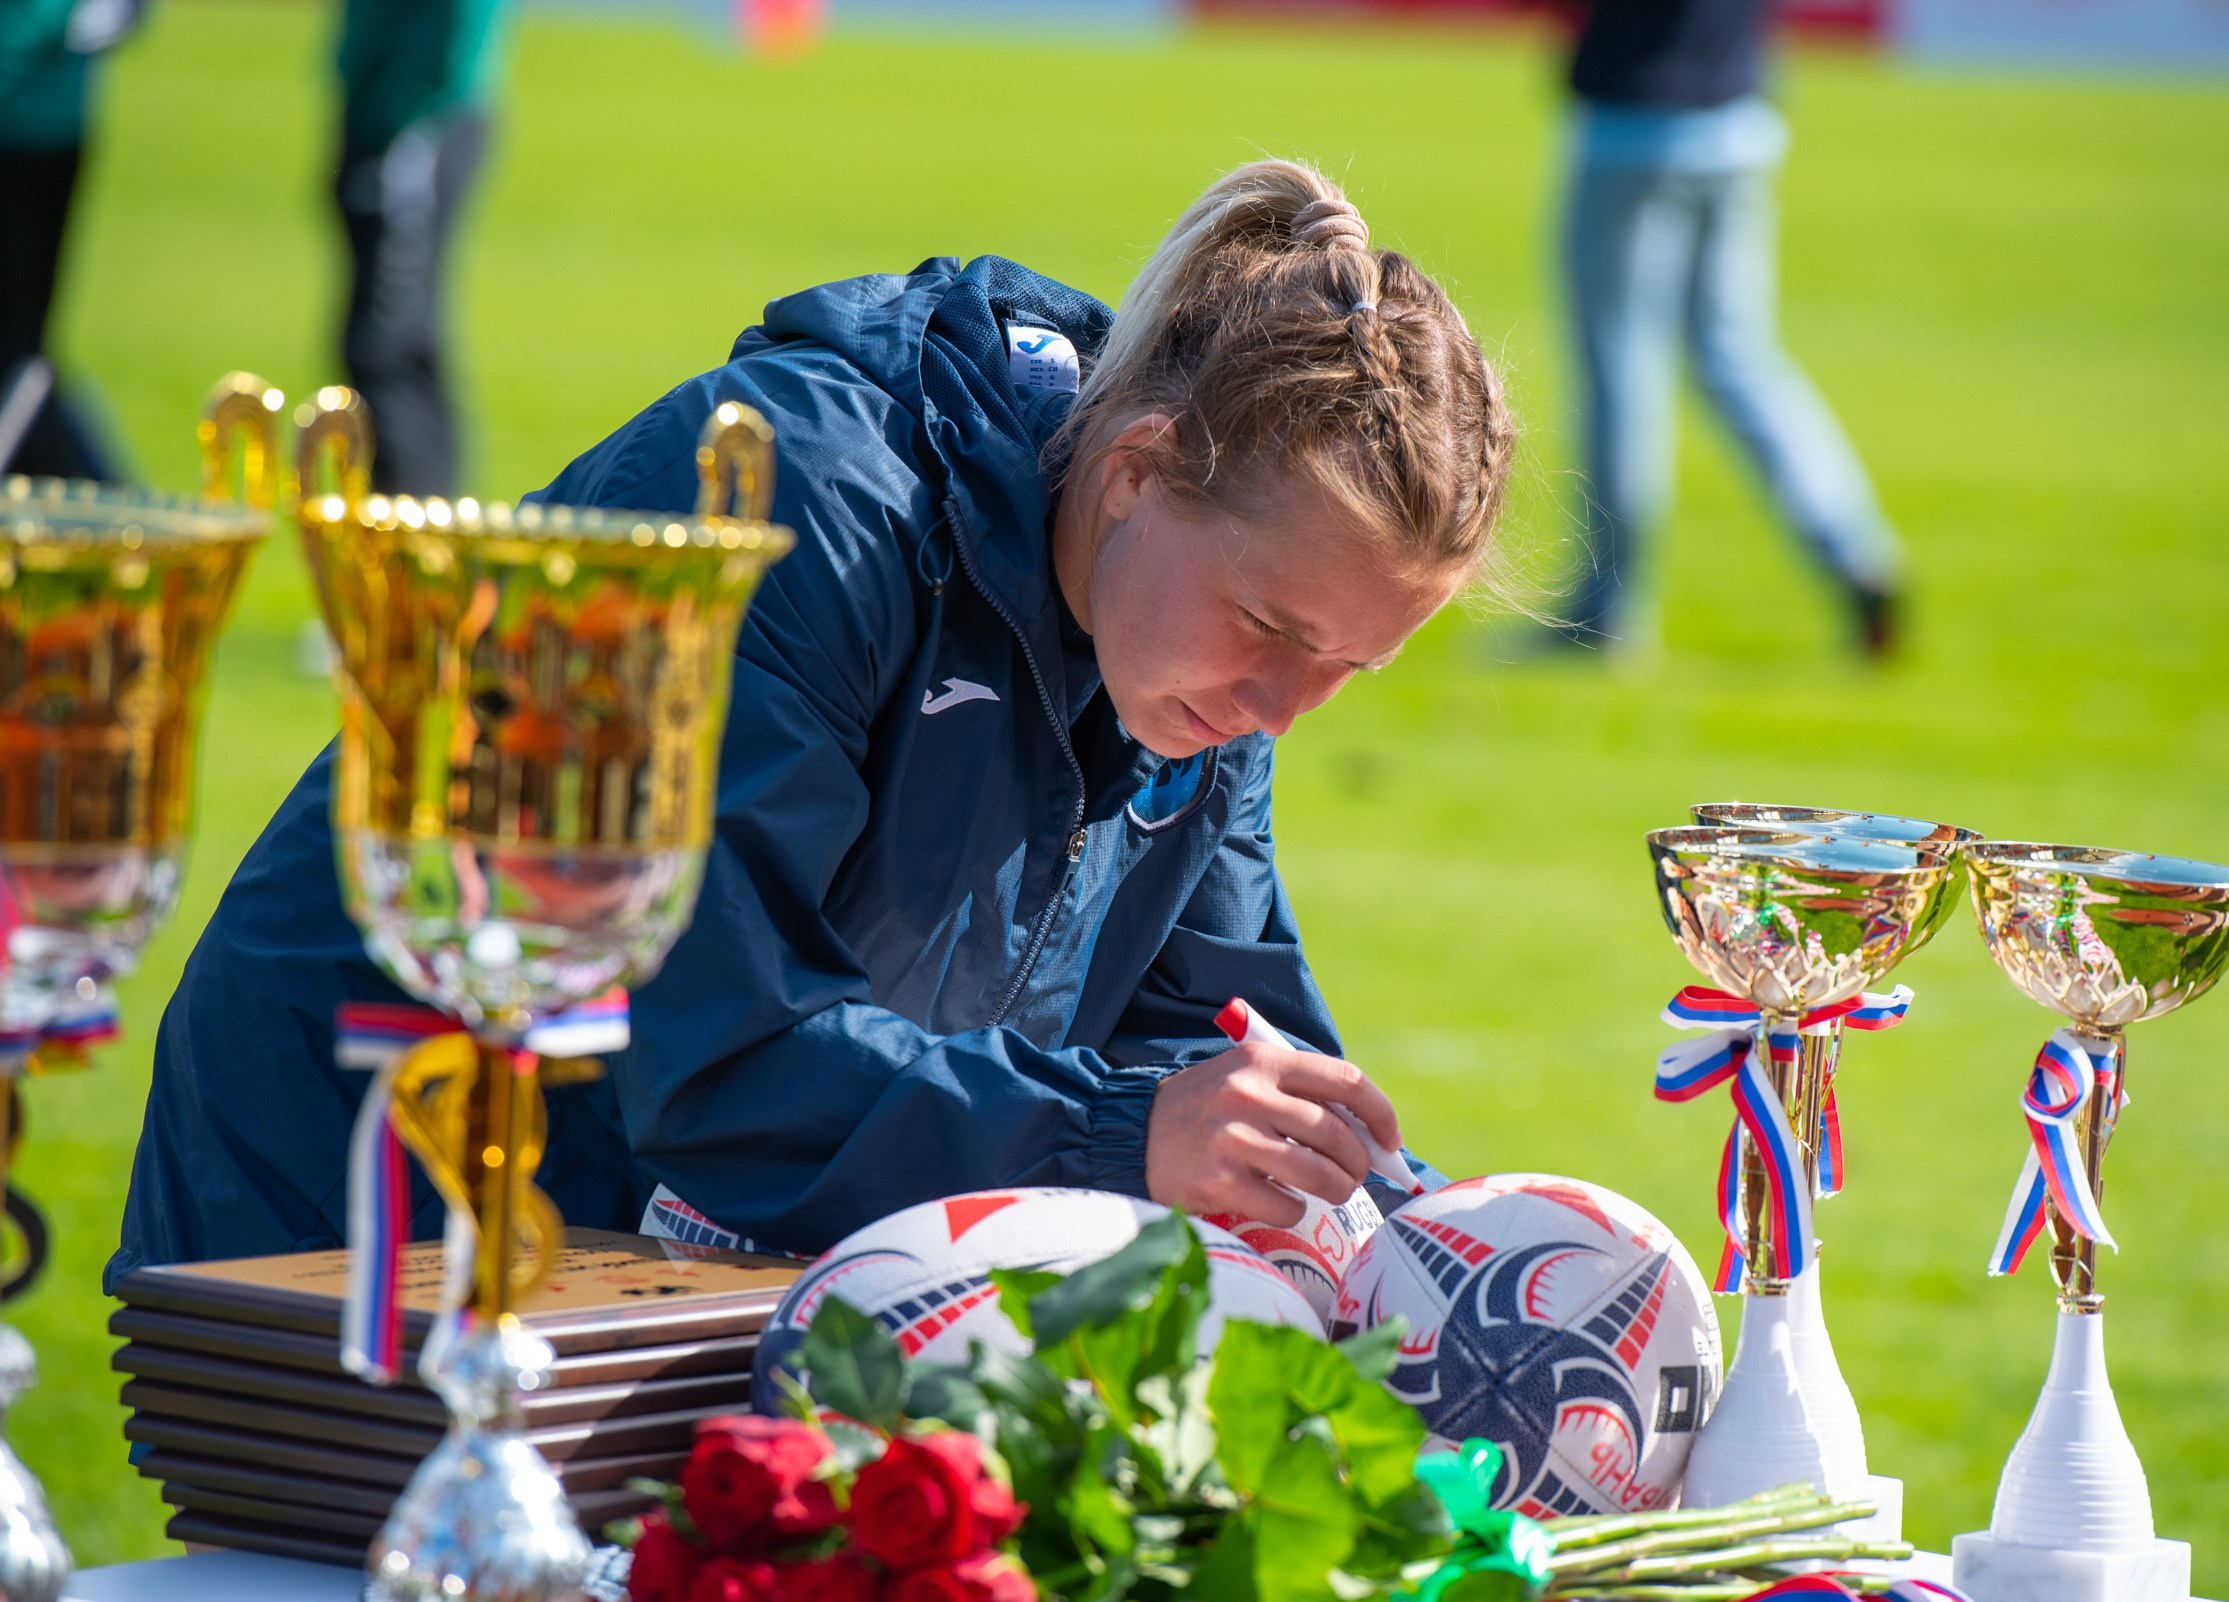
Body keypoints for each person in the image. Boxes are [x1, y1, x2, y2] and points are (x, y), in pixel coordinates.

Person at [105, 159, 1516, 1285]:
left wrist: (1446, 1245)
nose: (1284, 706)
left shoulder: (1200, 653)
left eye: (1349, 667)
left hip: (661, 1262)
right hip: (358, 1200)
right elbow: (712, 1054)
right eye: (1275, 631)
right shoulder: (801, 510)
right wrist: (1115, 1135)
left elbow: (1210, 1036)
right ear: (1138, 470)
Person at [1556, 0, 1902, 658]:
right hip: (1738, 115)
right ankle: (1854, 546)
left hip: (1634, 117)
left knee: (1621, 370)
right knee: (1739, 361)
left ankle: (1610, 611)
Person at [332, 0, 510, 495]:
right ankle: (412, 544)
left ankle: (413, 552)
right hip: (386, 102)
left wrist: (409, 113)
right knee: (382, 347)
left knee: (388, 348)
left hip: (415, 114)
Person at [0, 0, 140, 479]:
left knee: (18, 352)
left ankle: (110, 505)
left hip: (27, 130)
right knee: (21, 349)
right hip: (49, 119)